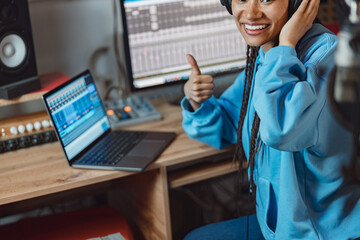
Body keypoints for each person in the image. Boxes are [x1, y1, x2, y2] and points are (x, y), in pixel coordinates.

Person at [181, 0, 360, 239]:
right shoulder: (267, 58)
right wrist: (196, 100)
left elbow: (280, 130)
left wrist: (286, 44)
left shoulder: (325, 59)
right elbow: (225, 123)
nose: (251, 13)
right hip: (282, 229)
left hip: (323, 233)